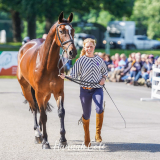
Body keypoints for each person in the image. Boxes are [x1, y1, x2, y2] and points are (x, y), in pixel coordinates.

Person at [59, 38, 108, 147]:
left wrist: (103, 79)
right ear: (84, 48)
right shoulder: (80, 61)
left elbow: (105, 72)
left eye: (91, 46)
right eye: (87, 47)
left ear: (94, 47)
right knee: (86, 114)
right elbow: (74, 76)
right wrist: (65, 76)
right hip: (85, 90)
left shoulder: (99, 60)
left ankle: (98, 133)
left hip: (97, 89)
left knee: (99, 108)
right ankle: (87, 136)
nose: (89, 48)